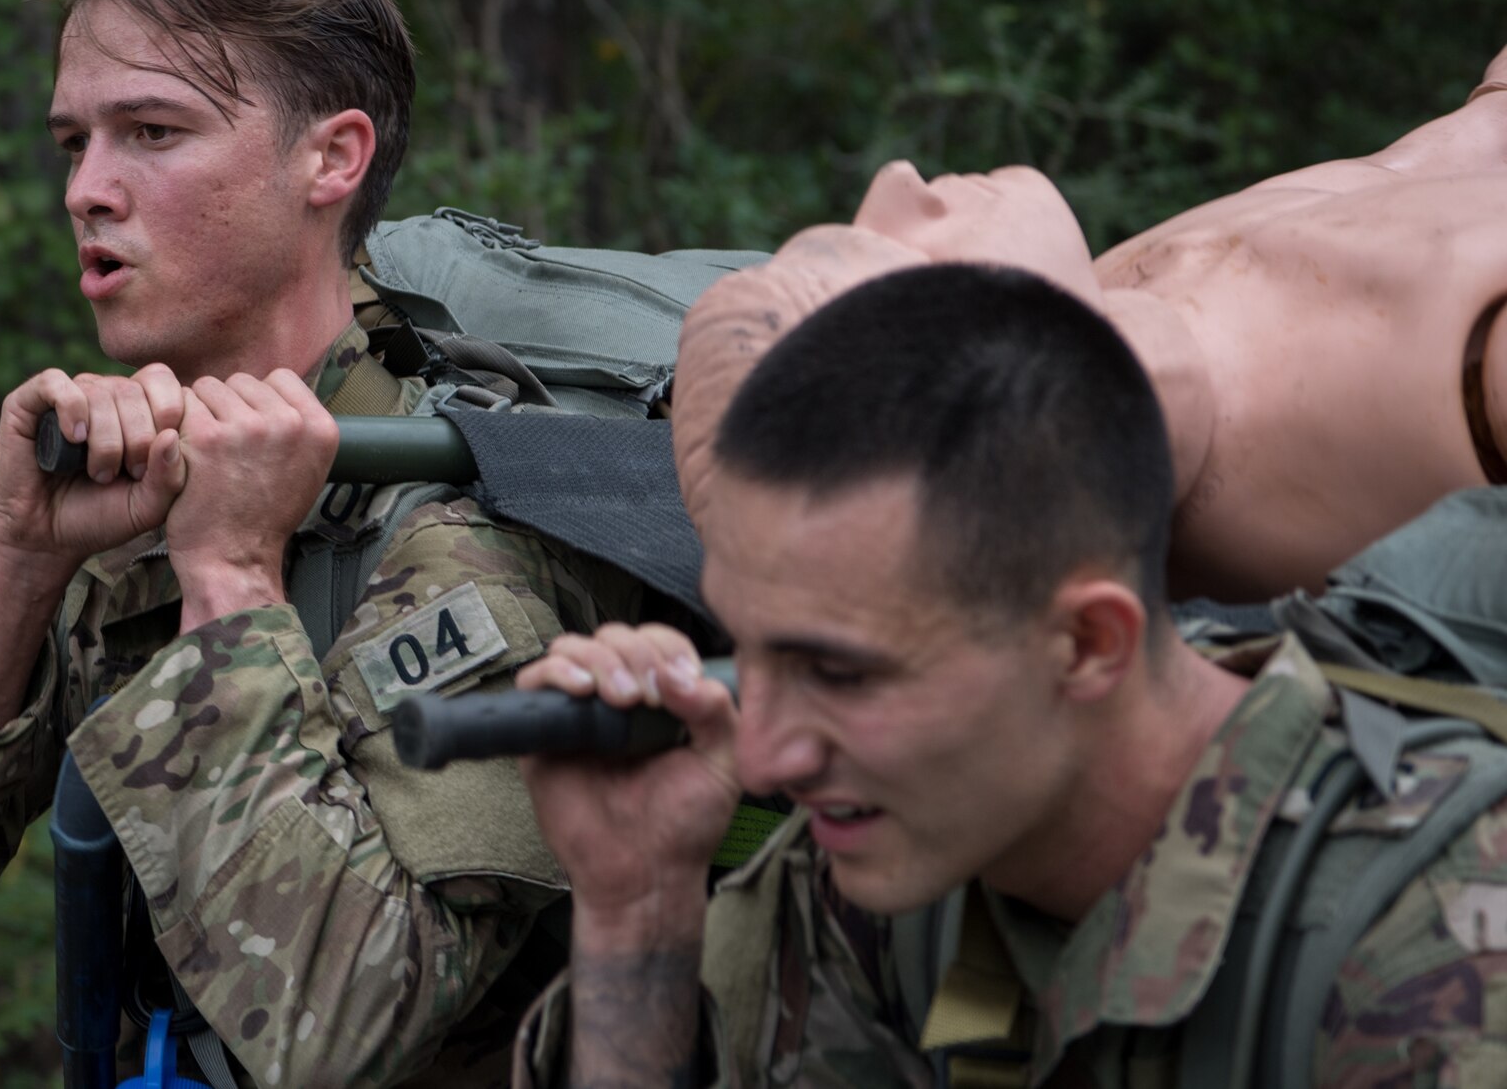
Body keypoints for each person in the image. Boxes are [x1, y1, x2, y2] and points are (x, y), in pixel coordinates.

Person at [0, 0, 643, 1088]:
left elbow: (344, 1032)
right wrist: (17, 558)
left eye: (152, 131)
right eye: (73, 140)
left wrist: (230, 574)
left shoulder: (456, 523)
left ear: (328, 158)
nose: (86, 186)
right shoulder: (110, 481)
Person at [512, 262, 1507, 1087]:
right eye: (753, 652)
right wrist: (637, 909)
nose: (765, 757)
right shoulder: (893, 859)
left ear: (1085, 645)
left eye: (840, 673)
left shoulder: (1430, 955)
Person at [674, 41, 1507, 603]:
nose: (900, 182)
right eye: (881, 248)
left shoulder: (1122, 304)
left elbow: (1477, 133)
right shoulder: (1461, 387)